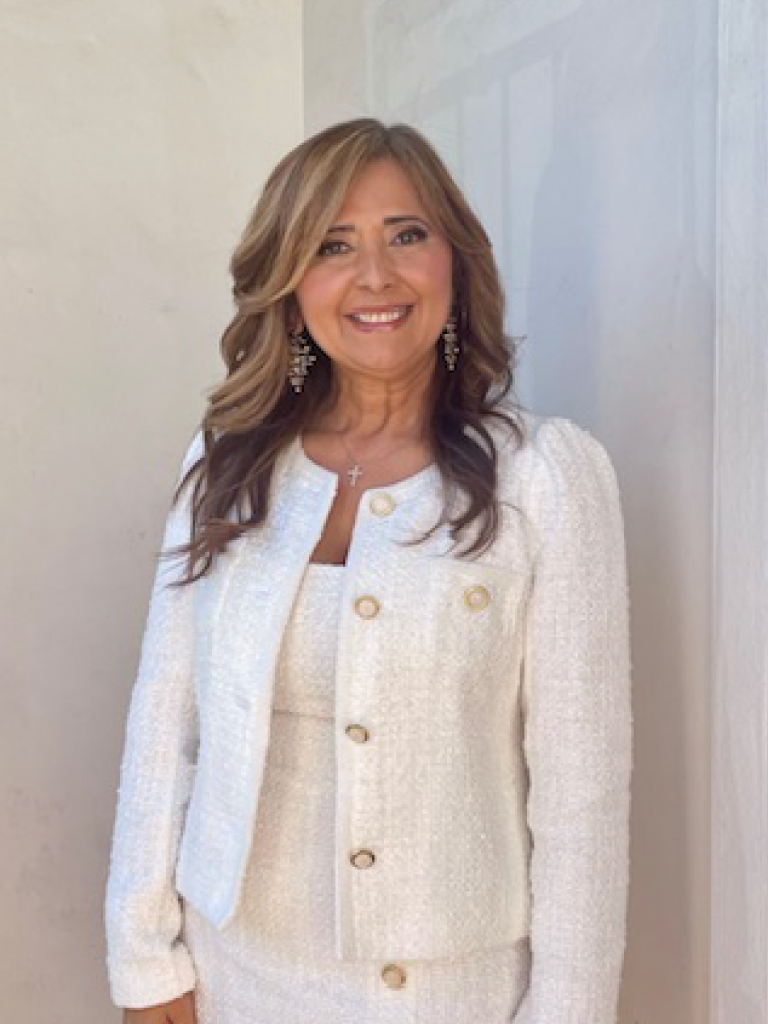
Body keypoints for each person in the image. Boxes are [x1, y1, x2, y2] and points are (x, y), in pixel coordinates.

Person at [104, 117, 632, 1024]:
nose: (376, 276)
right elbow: (166, 723)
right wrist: (146, 960)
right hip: (237, 977)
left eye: (407, 236)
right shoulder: (229, 463)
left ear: (455, 263)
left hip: (447, 996)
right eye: (333, 245)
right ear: (292, 282)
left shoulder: (546, 477)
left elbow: (583, 800)